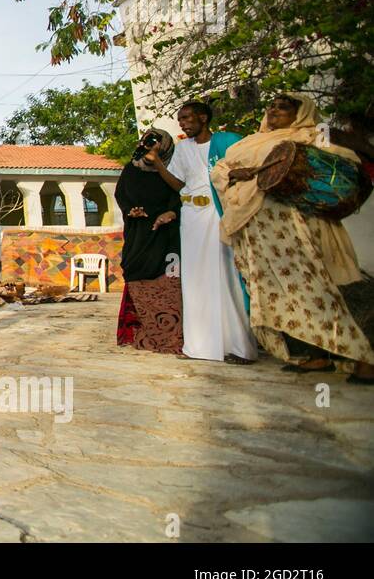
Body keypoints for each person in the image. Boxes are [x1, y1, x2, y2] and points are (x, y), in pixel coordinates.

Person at [211, 93, 374, 384]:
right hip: (259, 232)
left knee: (322, 289)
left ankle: (365, 359)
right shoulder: (250, 142)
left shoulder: (313, 137)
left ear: (300, 113)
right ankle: (316, 356)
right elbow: (221, 169)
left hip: (299, 229)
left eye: (283, 107)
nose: (274, 110)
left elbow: (344, 167)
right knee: (288, 295)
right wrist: (237, 171)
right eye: (271, 105)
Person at [149, 100, 255, 364]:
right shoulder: (183, 148)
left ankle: (239, 346)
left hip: (216, 214)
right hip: (192, 218)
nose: (182, 123)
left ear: (203, 118)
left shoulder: (227, 142)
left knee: (224, 276)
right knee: (196, 282)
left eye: (186, 118)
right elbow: (178, 184)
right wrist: (158, 164)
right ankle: (199, 346)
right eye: (180, 119)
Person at [114, 129, 183, 353]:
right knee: (137, 274)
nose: (150, 145)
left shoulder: (174, 169)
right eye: (147, 141)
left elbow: (181, 194)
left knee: (168, 279)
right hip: (138, 232)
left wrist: (171, 213)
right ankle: (141, 332)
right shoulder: (131, 169)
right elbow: (121, 194)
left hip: (166, 234)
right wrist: (129, 211)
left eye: (156, 142)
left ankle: (173, 337)